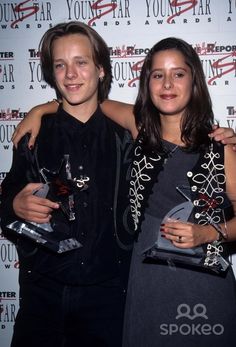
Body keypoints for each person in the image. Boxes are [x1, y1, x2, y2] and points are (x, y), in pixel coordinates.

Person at [8, 37, 236, 347]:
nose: (167, 83)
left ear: (195, 80)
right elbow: (84, 97)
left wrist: (209, 233)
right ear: (147, 82)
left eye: (178, 74)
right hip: (131, 285)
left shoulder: (215, 147)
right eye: (157, 75)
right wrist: (41, 109)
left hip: (184, 286)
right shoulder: (139, 127)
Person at [0, 21, 134, 347]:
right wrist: (14, 205)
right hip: (42, 297)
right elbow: (7, 205)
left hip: (109, 299)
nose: (70, 73)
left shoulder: (128, 138)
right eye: (61, 64)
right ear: (51, 72)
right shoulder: (33, 135)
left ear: (101, 69)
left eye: (81, 62)